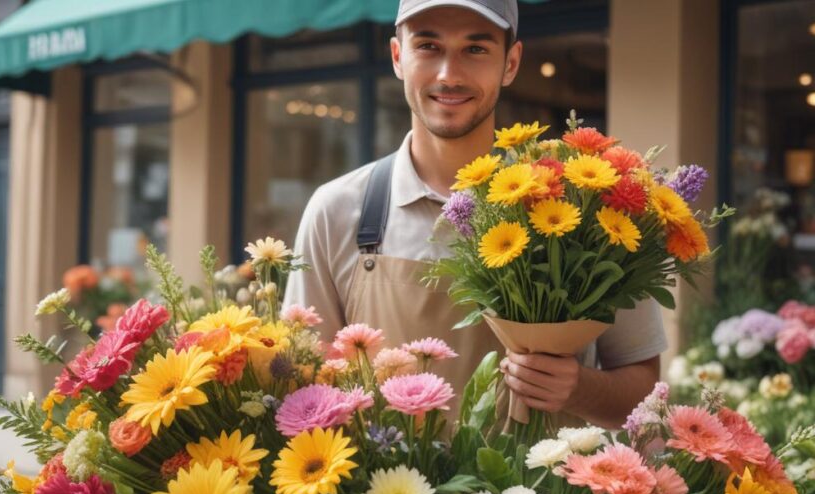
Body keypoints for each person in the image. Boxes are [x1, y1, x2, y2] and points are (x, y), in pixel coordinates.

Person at [284, 0, 667, 429]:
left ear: (511, 63)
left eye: (476, 49)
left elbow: (645, 391)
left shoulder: (584, 207)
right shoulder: (336, 212)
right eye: (428, 46)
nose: (449, 74)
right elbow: (305, 391)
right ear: (397, 57)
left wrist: (579, 389)